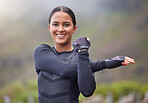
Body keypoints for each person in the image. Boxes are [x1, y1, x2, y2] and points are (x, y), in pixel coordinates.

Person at [33, 6, 135, 103]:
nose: (60, 29)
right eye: (55, 24)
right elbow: (64, 69)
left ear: (74, 28)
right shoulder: (42, 52)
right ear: (49, 27)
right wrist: (104, 64)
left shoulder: (82, 58)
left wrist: (83, 52)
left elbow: (87, 91)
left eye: (66, 24)